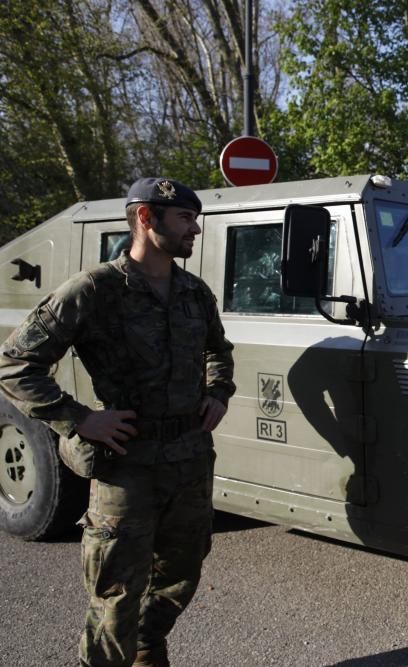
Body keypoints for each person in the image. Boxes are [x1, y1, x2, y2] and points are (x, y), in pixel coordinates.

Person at [0, 177, 236, 667]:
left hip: (190, 460)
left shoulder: (195, 292)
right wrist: (80, 419)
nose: (196, 229)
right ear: (146, 219)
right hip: (126, 466)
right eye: (185, 219)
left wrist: (218, 392)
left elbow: (219, 351)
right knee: (116, 594)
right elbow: (15, 366)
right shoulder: (94, 290)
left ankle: (147, 649)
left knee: (181, 575)